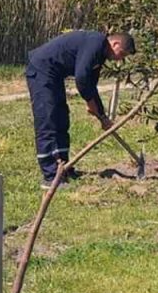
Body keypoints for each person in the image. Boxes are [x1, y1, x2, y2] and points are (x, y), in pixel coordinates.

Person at [26, 30, 135, 186]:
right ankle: (50, 176)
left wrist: (101, 115)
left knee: (61, 118)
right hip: (41, 69)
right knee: (48, 119)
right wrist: (89, 102)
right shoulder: (95, 43)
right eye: (122, 54)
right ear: (115, 44)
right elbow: (82, 78)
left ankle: (63, 168)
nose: (120, 59)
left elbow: (91, 85)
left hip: (54, 75)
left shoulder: (100, 55)